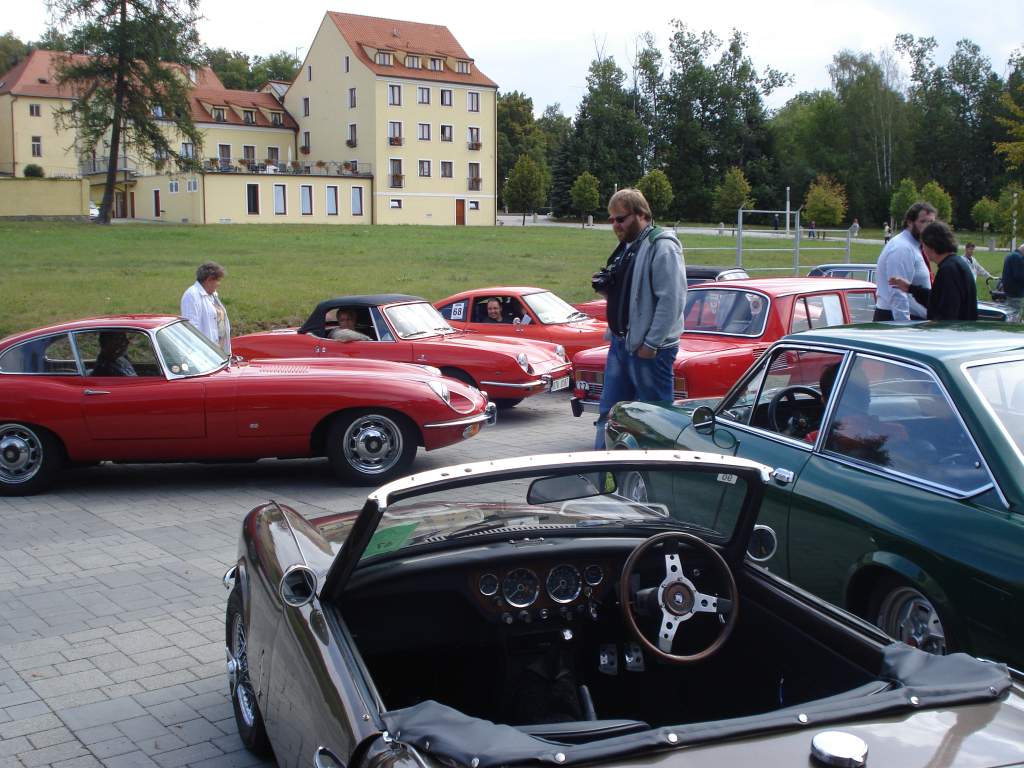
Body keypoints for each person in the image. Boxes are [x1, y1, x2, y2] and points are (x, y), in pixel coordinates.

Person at [593, 188, 685, 449]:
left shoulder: (662, 246)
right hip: (622, 343)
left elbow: (673, 300)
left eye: (620, 219)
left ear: (641, 214)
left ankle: (656, 479)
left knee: (655, 421)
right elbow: (631, 294)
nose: (615, 225)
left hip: (649, 352)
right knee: (608, 414)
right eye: (611, 220)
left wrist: (651, 344)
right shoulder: (627, 246)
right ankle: (599, 477)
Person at [889, 221, 977, 321]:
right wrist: (910, 288)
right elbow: (937, 299)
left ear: (932, 245)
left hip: (953, 334)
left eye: (923, 245)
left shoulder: (948, 270)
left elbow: (947, 311)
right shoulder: (956, 264)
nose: (923, 250)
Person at [873, 202, 936, 321]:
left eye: (931, 222)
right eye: (923, 221)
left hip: (910, 319)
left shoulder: (915, 246)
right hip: (896, 320)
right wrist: (904, 328)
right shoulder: (902, 248)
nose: (928, 227)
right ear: (910, 222)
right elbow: (897, 292)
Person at [181, 262, 231, 353]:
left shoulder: (212, 295)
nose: (219, 284)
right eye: (218, 280)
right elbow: (191, 328)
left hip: (218, 353)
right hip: (204, 354)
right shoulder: (192, 295)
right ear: (209, 279)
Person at [1002, 243, 1024, 322]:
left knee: (1010, 310)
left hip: (1009, 289)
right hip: (1015, 291)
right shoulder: (1017, 258)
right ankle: (1013, 330)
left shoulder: (1011, 255)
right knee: (1015, 312)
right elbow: (1019, 276)